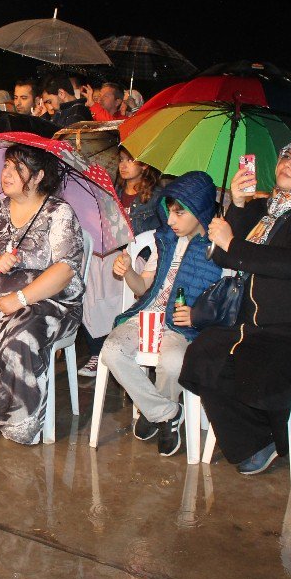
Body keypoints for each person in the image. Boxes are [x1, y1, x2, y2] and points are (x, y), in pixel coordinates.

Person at [180, 137, 291, 475]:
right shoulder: (264, 209)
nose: (288, 162)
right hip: (256, 326)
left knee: (261, 363)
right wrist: (238, 205)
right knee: (204, 352)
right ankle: (254, 441)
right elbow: (226, 252)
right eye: (286, 155)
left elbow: (289, 263)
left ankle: (271, 434)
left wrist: (232, 241)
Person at [0, 143, 84, 445]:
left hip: (47, 301)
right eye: (6, 165)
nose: (5, 173)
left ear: (37, 177)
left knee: (18, 336)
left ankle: (3, 418)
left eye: (16, 168)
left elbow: (64, 270)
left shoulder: (58, 213)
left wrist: (20, 299)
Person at [100, 171, 221, 456]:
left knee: (173, 360)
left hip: (182, 325)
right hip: (149, 315)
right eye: (169, 212)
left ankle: (153, 413)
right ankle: (166, 414)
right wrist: (128, 271)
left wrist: (197, 314)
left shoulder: (217, 248)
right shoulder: (164, 241)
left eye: (179, 213)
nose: (170, 221)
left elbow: (224, 299)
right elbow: (142, 287)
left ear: (200, 210)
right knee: (112, 351)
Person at [77, 148, 164, 376]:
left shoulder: (155, 196)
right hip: (113, 255)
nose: (123, 165)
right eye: (121, 160)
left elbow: (165, 234)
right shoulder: (112, 192)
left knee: (104, 267)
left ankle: (111, 341)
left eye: (130, 160)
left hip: (140, 260)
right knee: (88, 268)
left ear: (144, 165)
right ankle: (97, 347)